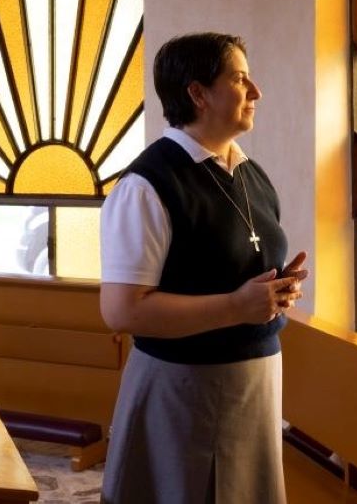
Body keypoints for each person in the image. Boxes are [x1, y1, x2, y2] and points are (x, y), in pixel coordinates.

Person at [99, 32, 308, 504]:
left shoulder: (250, 173)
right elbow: (121, 311)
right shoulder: (147, 185)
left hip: (254, 383)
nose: (256, 92)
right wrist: (237, 306)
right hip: (185, 390)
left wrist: (276, 293)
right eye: (238, 79)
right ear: (197, 93)